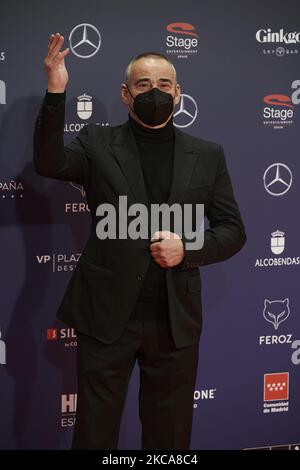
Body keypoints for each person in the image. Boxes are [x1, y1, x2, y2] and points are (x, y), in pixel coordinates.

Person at [33, 33, 247, 450]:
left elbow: (232, 230)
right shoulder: (97, 144)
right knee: (94, 434)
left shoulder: (207, 155)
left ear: (179, 93)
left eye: (164, 85)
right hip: (106, 318)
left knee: (169, 438)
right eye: (144, 85)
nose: (155, 93)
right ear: (126, 94)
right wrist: (57, 89)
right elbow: (49, 162)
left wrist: (188, 250)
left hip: (174, 321)